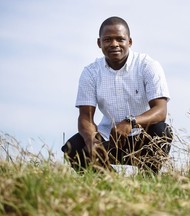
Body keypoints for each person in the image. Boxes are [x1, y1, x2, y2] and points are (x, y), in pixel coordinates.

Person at [61, 16, 173, 174]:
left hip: (141, 137)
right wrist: (91, 140)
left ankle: (148, 181)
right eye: (107, 40)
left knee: (162, 130)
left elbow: (161, 111)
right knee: (73, 148)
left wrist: (131, 122)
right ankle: (109, 185)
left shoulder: (148, 66)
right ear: (99, 43)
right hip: (108, 138)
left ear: (130, 42)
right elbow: (85, 117)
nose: (114, 44)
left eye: (120, 39)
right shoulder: (91, 72)